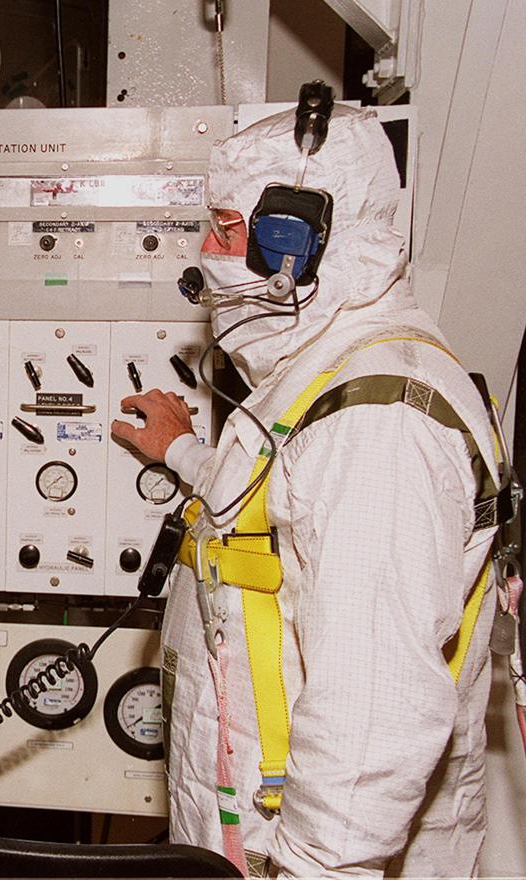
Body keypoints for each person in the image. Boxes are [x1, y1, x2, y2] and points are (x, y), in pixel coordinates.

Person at [112, 103, 506, 876]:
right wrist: (184, 451)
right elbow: (271, 502)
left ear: (293, 243)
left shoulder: (380, 425)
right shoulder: (325, 378)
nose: (204, 251)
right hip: (248, 828)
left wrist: (312, 870)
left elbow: (373, 717)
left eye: (225, 230)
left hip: (305, 856)